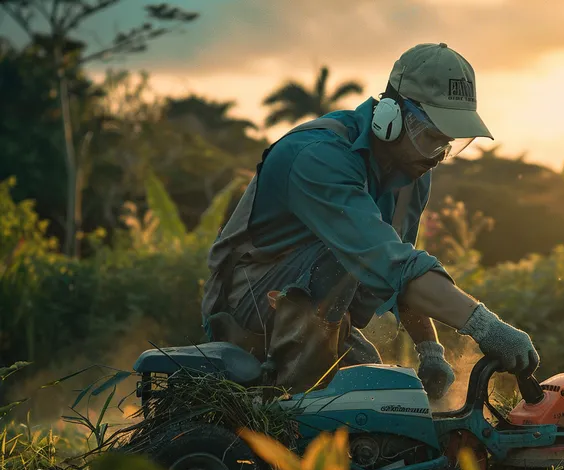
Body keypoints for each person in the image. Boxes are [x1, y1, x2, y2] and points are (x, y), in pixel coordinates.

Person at [200, 43, 539, 399]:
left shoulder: (414, 172)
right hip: (248, 308)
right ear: (390, 118)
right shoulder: (318, 156)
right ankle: (287, 412)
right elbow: (383, 259)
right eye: (431, 138)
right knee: (342, 257)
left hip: (320, 314)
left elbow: (402, 266)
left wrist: (430, 350)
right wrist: (486, 328)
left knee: (383, 396)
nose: (438, 156)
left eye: (448, 143)